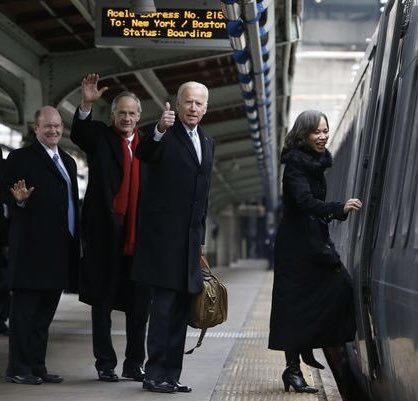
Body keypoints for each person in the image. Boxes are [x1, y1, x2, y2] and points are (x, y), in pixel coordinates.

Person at [268, 110, 362, 393]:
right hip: (297, 246)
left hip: (312, 242)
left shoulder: (314, 163)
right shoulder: (296, 166)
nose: (323, 136)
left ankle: (307, 346)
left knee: (335, 289)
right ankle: (293, 370)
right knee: (295, 305)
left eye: (325, 131)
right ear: (303, 134)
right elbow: (305, 202)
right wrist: (338, 208)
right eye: (317, 132)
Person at [132, 81, 214, 393]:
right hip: (163, 243)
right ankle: (153, 374)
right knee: (163, 310)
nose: (193, 108)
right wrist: (157, 130)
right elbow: (144, 153)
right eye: (188, 103)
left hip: (190, 244)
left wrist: (200, 238)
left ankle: (171, 374)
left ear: (206, 108)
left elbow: (203, 196)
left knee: (181, 312)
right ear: (177, 105)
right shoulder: (165, 135)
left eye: (199, 104)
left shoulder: (208, 141)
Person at [70, 73, 150, 383]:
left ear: (139, 116)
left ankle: (134, 364)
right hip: (105, 236)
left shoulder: (148, 146)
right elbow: (80, 133)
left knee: (139, 305)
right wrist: (86, 105)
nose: (127, 118)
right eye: (122, 113)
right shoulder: (101, 138)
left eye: (132, 113)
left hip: (137, 237)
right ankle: (105, 363)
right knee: (102, 303)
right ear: (113, 115)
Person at [4, 106, 79, 384]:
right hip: (31, 251)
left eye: (58, 126)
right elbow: (5, 192)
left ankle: (37, 366)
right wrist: (19, 199)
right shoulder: (20, 157)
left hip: (59, 251)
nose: (54, 130)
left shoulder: (69, 162)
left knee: (45, 314)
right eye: (47, 126)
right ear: (36, 129)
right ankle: (18, 368)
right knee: (24, 314)